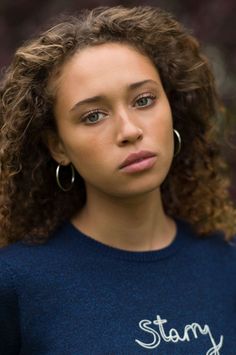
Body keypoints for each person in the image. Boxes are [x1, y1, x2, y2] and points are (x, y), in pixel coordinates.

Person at [0, 5, 235, 354]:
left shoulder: (225, 265)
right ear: (58, 145)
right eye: (93, 115)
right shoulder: (17, 283)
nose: (129, 130)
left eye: (144, 100)